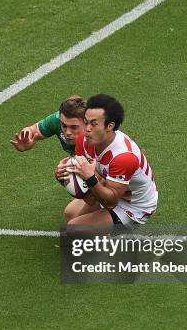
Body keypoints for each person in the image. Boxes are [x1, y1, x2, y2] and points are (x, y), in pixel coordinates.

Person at [63, 94, 158, 230]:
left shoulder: (124, 157)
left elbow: (110, 202)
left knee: (75, 229)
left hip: (134, 205)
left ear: (110, 126)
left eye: (94, 124)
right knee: (70, 215)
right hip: (107, 184)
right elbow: (90, 197)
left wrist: (90, 179)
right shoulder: (84, 140)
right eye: (86, 122)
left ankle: (118, 240)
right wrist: (64, 174)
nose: (87, 128)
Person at [10, 96, 86, 155]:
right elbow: (31, 130)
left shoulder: (96, 137)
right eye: (64, 126)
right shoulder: (57, 120)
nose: (68, 132)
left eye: (74, 127)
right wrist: (26, 138)